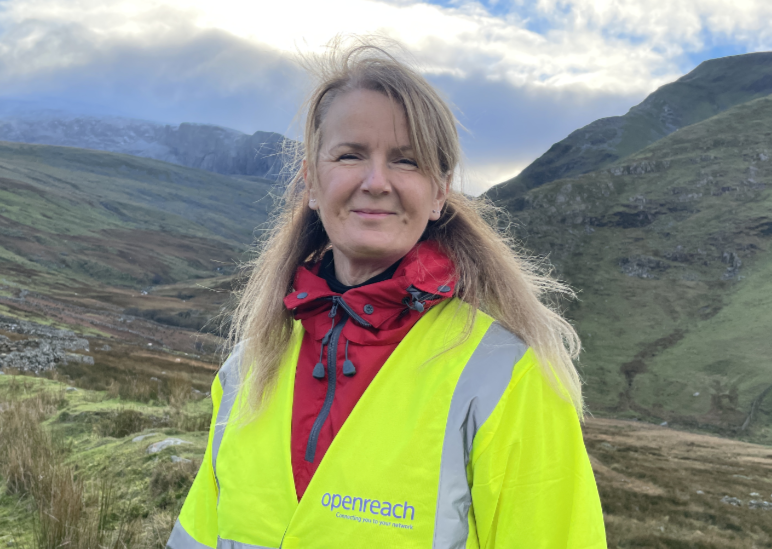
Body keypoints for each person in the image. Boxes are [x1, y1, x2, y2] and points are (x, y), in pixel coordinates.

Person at [167, 41, 606, 549]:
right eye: (350, 155)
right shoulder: (246, 369)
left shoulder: (510, 376)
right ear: (311, 182)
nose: (376, 182)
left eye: (406, 161)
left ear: (440, 192)